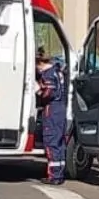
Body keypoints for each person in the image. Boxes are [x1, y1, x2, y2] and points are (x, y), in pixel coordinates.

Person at [35, 48, 70, 185]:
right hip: (60, 109)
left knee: (51, 142)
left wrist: (37, 90)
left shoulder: (48, 74)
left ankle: (54, 176)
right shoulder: (57, 71)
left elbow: (49, 93)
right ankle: (59, 173)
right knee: (59, 143)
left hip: (52, 110)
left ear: (39, 63)